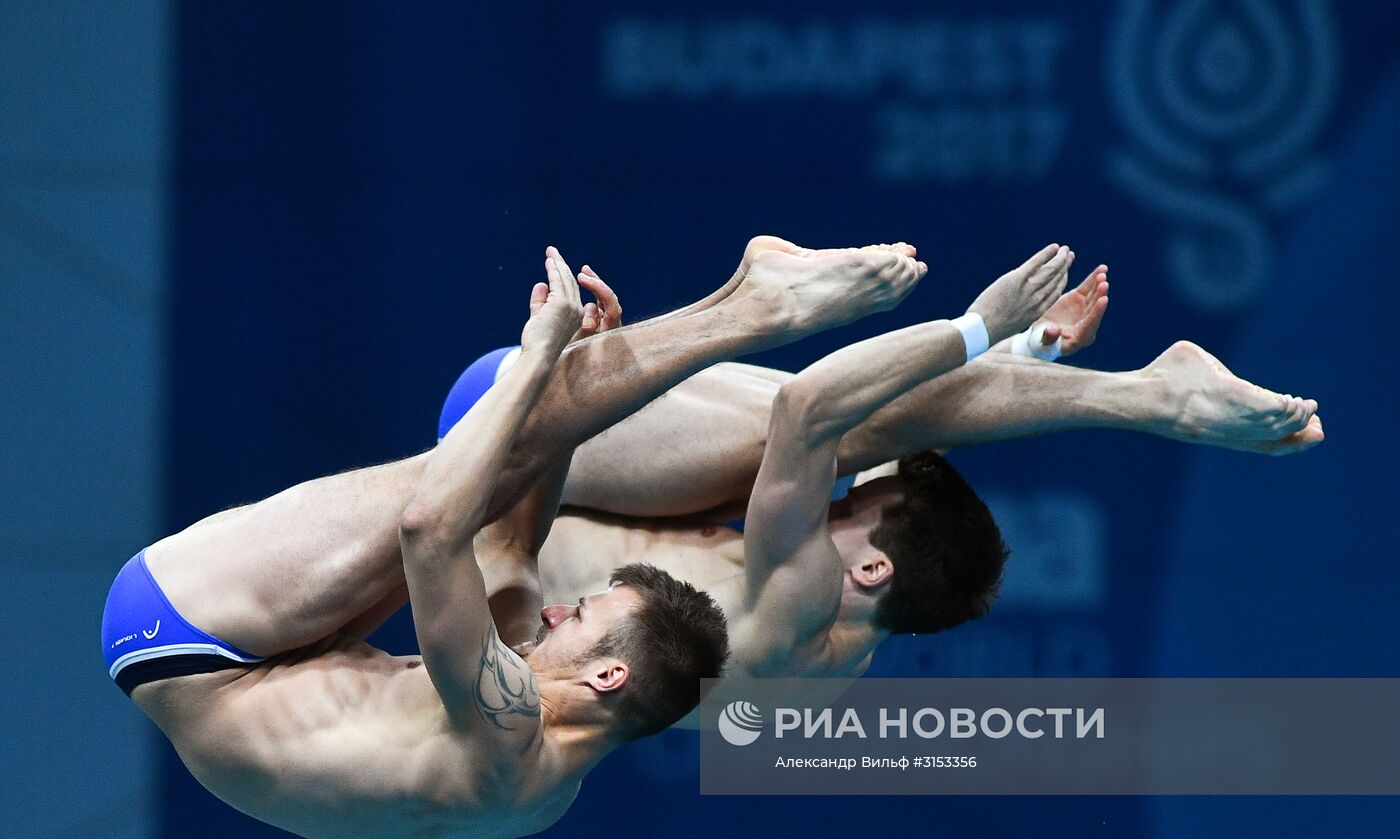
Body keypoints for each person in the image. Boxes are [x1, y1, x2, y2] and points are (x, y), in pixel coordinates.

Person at [101, 243, 927, 839]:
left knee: (491, 446)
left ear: (610, 673)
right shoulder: (542, 787)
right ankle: (726, 309)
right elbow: (507, 547)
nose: (567, 605)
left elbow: (431, 531)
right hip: (252, 668)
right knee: (527, 456)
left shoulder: (508, 727)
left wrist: (536, 364)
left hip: (186, 625)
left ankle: (757, 308)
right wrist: (577, 388)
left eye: (587, 613)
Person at [444, 239, 1321, 705]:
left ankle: (1148, 399)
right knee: (834, 441)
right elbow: (882, 443)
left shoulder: (794, 611)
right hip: (545, 468)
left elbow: (813, 412)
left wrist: (979, 329)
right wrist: (1028, 357)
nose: (849, 490)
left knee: (825, 426)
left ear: (871, 568)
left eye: (859, 507)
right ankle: (1140, 394)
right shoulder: (847, 645)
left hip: (492, 444)